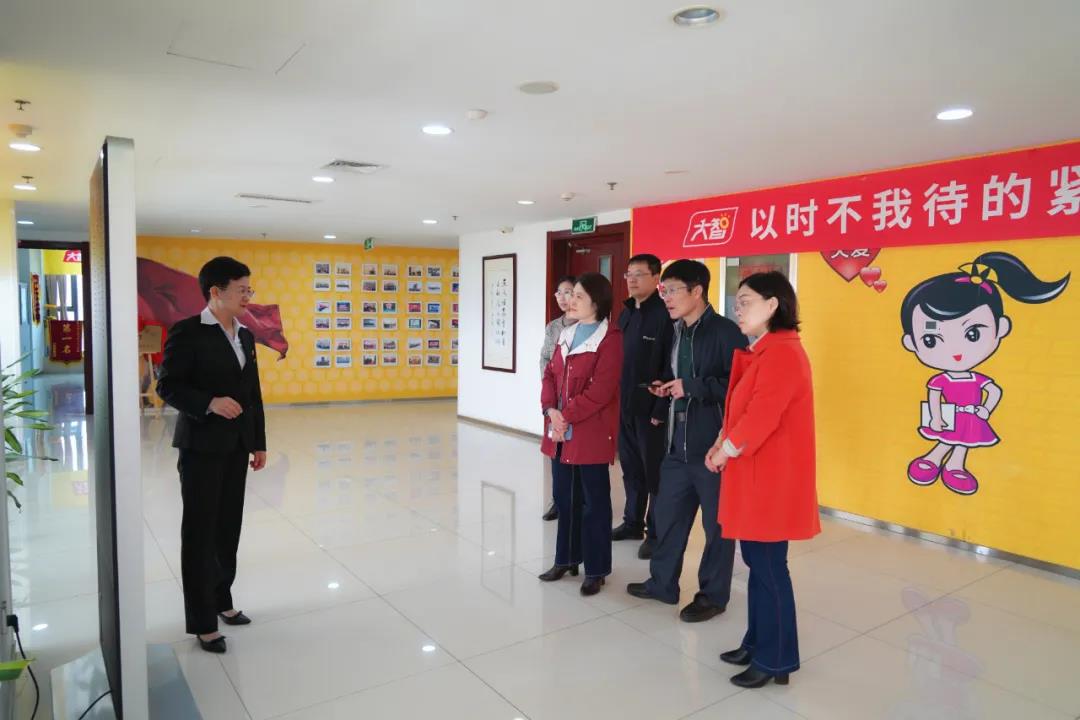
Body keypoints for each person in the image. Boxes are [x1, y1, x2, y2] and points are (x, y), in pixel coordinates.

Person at [706, 271, 820, 688]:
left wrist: (726, 450)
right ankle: (757, 642)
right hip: (756, 475)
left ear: (773, 305)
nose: (737, 309)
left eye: (746, 301)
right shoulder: (765, 350)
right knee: (757, 564)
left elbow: (761, 416)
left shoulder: (783, 353)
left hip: (771, 480)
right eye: (736, 301)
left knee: (769, 568)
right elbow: (743, 409)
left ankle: (777, 660)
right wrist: (721, 441)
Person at [157, 256, 268, 654]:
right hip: (201, 447)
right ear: (215, 292)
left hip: (237, 446)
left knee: (227, 528)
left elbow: (252, 394)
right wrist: (208, 402)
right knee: (200, 533)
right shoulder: (188, 332)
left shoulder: (245, 335)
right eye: (242, 290)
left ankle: (222, 599)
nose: (248, 296)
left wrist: (258, 442)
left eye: (249, 289)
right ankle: (203, 621)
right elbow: (168, 385)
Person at [626, 260, 747, 622]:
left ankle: (713, 595)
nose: (666, 297)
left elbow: (739, 389)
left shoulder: (726, 333)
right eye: (663, 291)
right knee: (668, 517)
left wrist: (691, 387)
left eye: (673, 290)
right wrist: (667, 386)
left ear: (697, 291)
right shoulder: (677, 330)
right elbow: (678, 374)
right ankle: (662, 583)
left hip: (711, 448)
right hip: (676, 443)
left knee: (717, 528)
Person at [539, 272, 623, 596]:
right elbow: (549, 374)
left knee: (594, 502)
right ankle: (566, 559)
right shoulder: (566, 333)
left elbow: (601, 391)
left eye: (578, 297)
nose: (570, 301)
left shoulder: (610, 338)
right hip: (560, 431)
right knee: (564, 497)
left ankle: (596, 569)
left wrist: (565, 415)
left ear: (596, 303)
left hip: (590, 433)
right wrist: (551, 410)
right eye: (570, 294)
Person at [613, 254, 673, 559]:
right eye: (628, 274)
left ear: (656, 278)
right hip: (624, 406)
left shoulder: (665, 316)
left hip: (651, 410)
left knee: (654, 474)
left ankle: (656, 532)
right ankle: (632, 522)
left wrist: (660, 410)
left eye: (639, 274)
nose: (632, 279)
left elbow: (669, 367)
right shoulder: (626, 314)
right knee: (631, 468)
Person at [539, 275, 576, 521]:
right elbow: (545, 359)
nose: (563, 298)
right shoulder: (553, 327)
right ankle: (558, 500)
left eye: (568, 292)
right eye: (559, 293)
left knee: (577, 450)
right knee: (556, 450)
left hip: (577, 401)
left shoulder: (590, 325)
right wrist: (549, 391)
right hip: (555, 400)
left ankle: (578, 499)